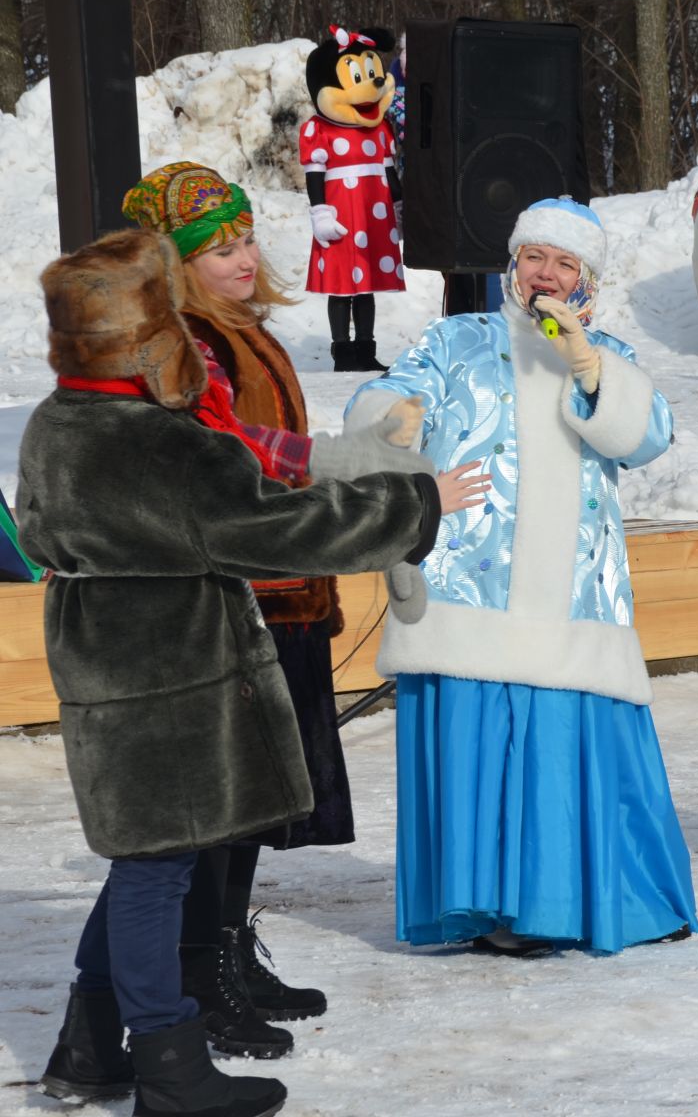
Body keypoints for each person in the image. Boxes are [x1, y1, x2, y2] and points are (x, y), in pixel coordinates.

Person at [21, 229, 471, 1115]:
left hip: (101, 665)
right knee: (156, 874)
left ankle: (88, 1047)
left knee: (141, 859)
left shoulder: (54, 422)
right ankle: (169, 1068)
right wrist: (416, 501)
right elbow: (277, 528)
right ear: (148, 340)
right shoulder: (164, 443)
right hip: (173, 675)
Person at [122, 161, 431, 1059]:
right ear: (174, 264)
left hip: (288, 591)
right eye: (219, 248)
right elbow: (235, 469)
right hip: (242, 596)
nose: (244, 258)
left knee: (257, 803)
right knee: (224, 804)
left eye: (248, 238)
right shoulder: (189, 347)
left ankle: (224, 948)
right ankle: (197, 970)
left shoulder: (242, 331)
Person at [346, 197, 698, 956]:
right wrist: (393, 423)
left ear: (586, 279)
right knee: (481, 739)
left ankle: (585, 900)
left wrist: (589, 366)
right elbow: (383, 404)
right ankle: (489, 907)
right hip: (470, 585)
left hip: (574, 591)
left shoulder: (603, 351)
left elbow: (647, 438)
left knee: (563, 746)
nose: (546, 273)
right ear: (513, 265)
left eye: (564, 262)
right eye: (535, 257)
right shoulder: (457, 338)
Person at [301, 25, 403, 372]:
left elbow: (388, 170)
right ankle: (342, 352)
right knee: (343, 285)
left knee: (368, 286)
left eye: (374, 73)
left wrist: (400, 206)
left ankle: (365, 349)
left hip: (374, 215)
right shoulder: (319, 130)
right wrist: (319, 212)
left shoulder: (380, 128)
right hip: (342, 214)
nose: (372, 84)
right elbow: (314, 173)